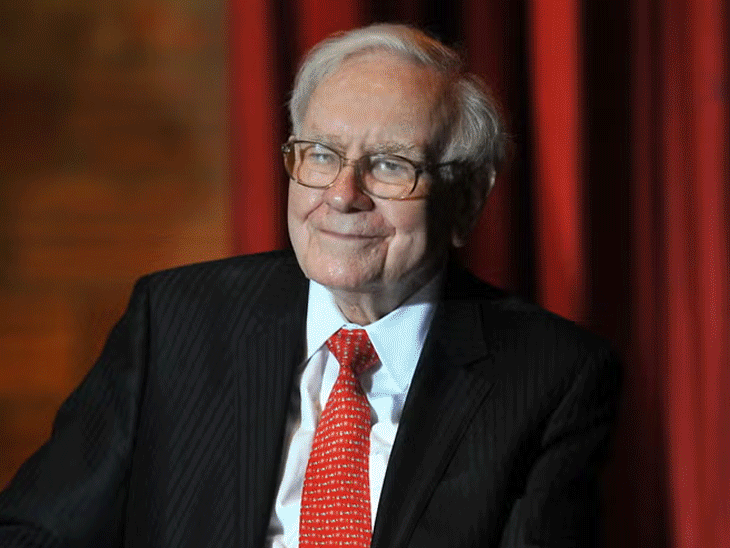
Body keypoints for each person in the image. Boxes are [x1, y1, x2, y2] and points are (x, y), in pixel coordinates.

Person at [0, 23, 621, 548]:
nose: (343, 196)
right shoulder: (175, 321)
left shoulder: (549, 377)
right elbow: (35, 532)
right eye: (321, 155)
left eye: (390, 165)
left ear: (467, 199)